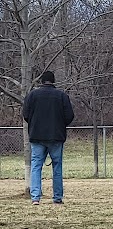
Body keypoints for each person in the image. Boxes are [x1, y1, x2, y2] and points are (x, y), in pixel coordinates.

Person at [23, 70, 75, 205]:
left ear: (41, 81)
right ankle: (57, 197)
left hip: (37, 136)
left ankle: (35, 197)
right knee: (57, 167)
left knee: (36, 166)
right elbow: (69, 116)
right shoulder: (62, 96)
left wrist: (35, 125)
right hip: (56, 136)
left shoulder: (32, 95)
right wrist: (59, 125)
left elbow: (26, 115)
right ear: (53, 81)